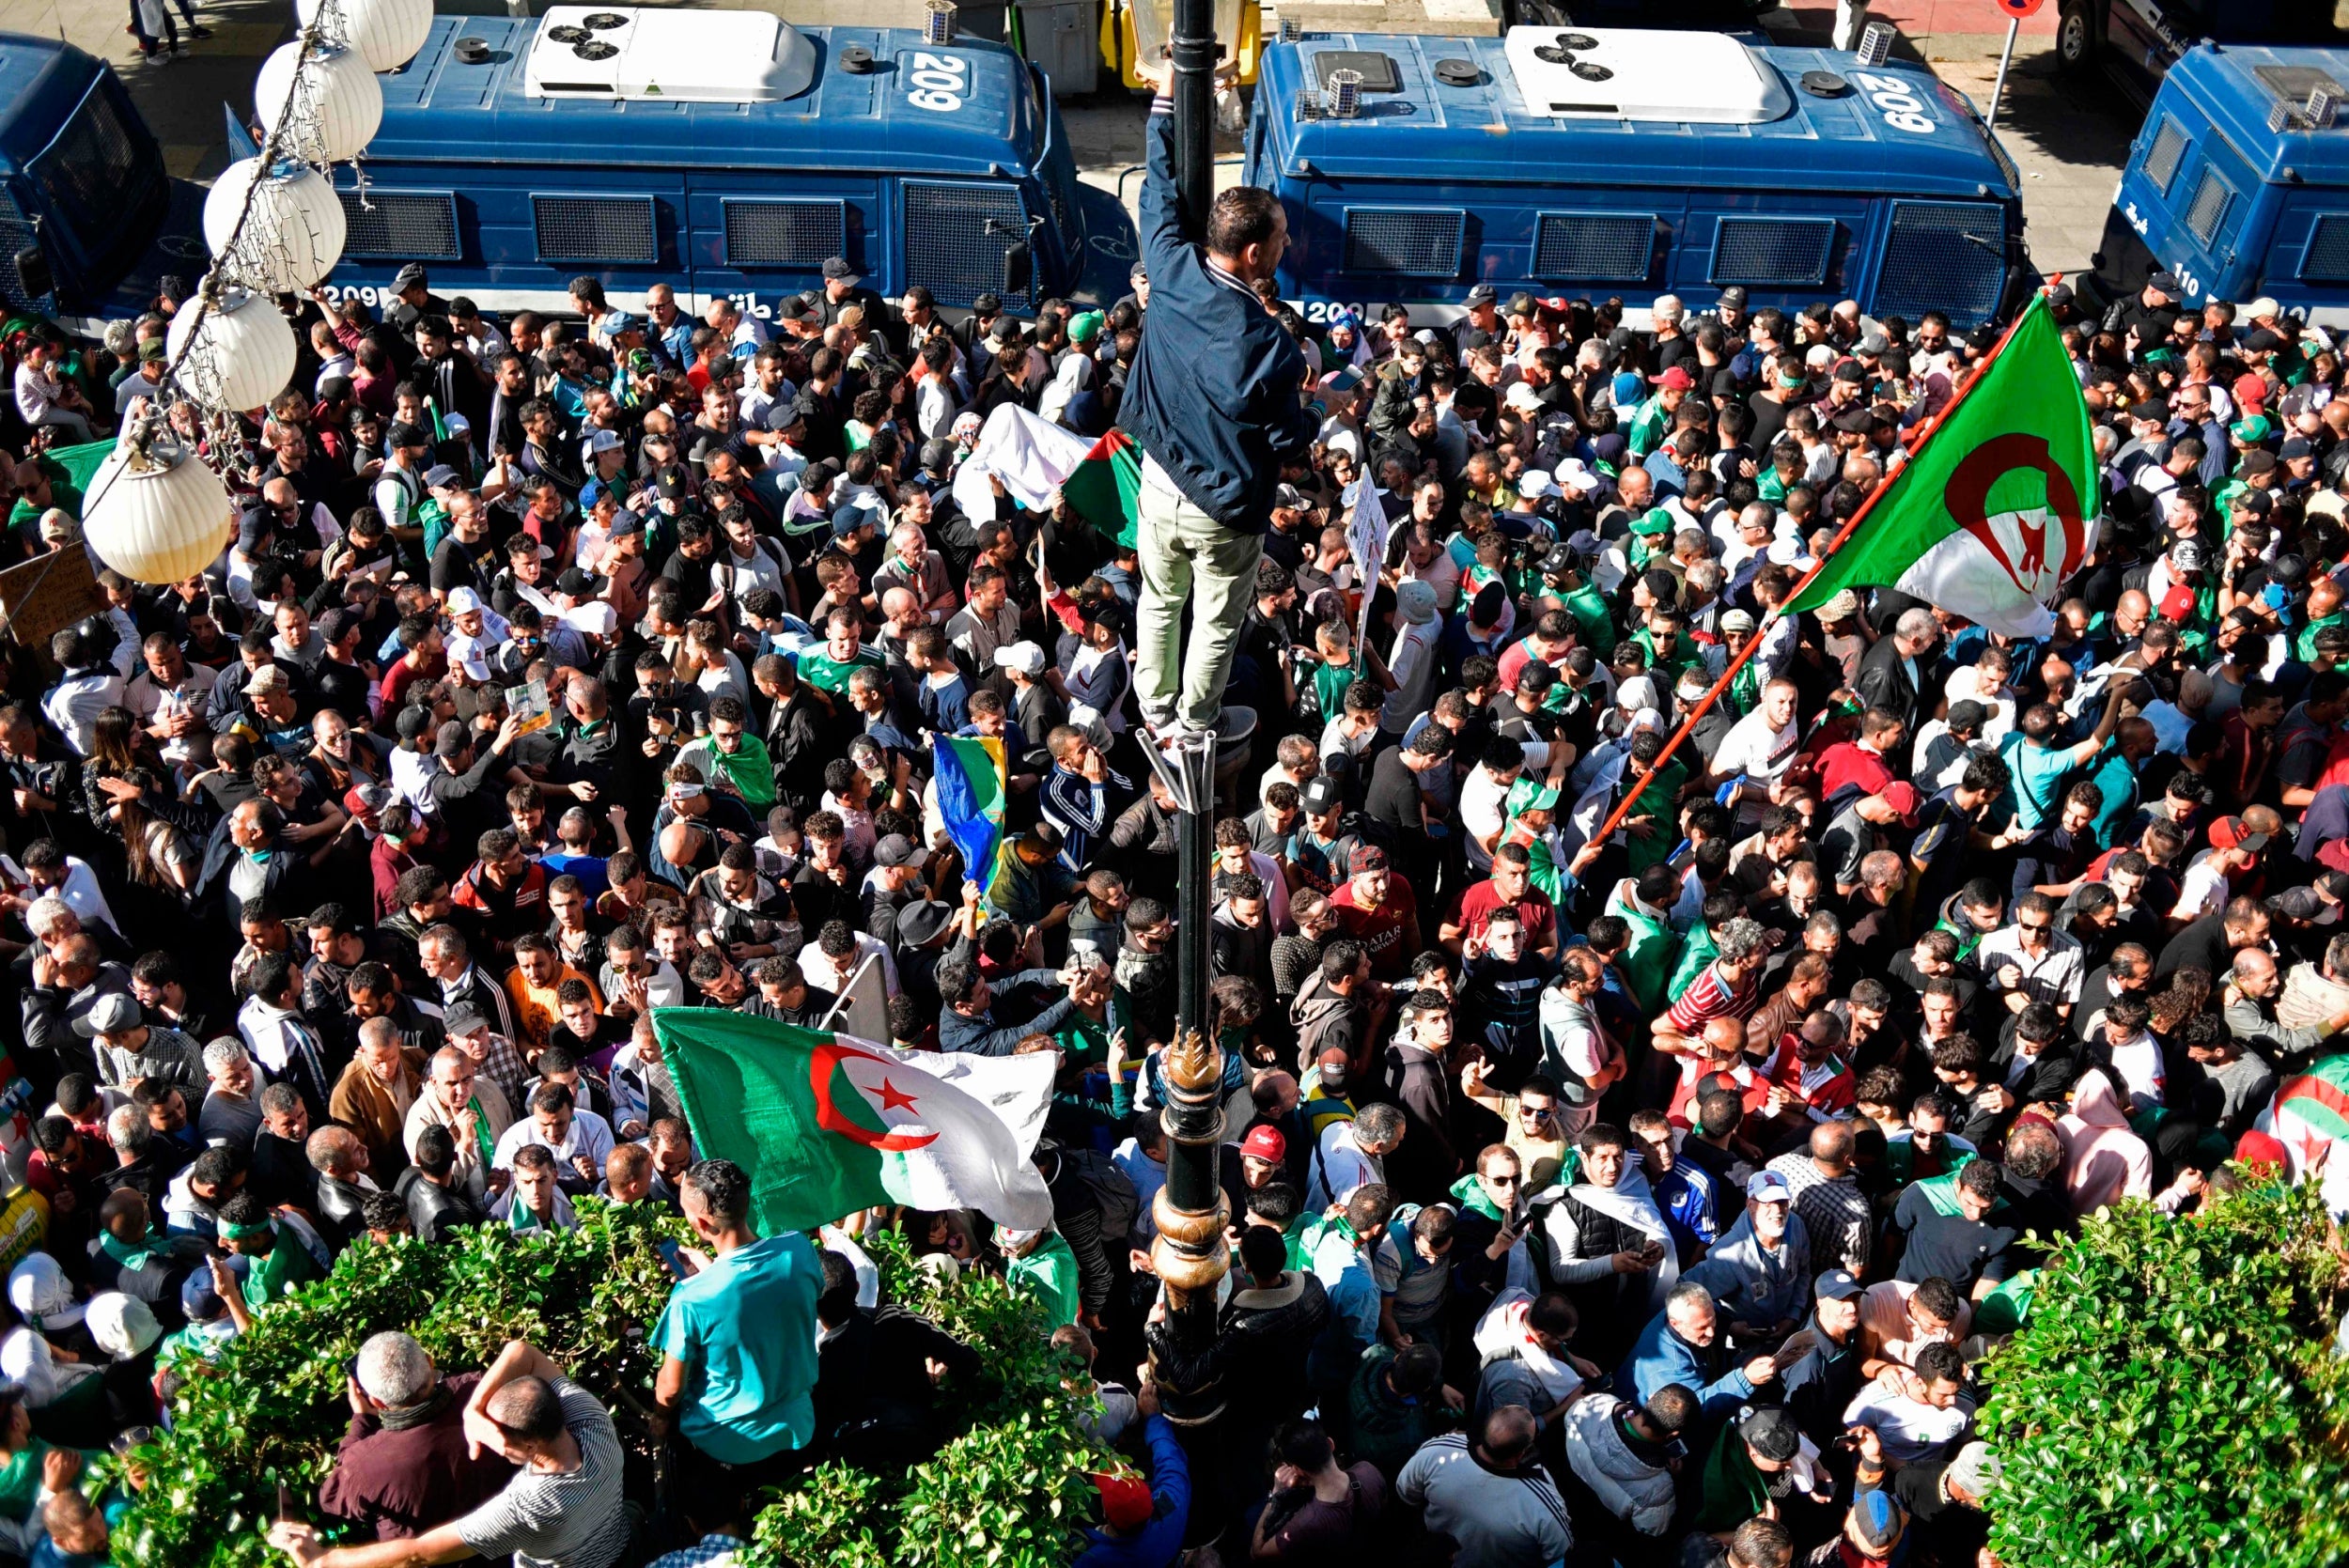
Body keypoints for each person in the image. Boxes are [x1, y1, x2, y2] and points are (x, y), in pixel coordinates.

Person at [1124, 59, 1317, 738]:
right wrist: (1308, 409)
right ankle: (1193, 720)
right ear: (1257, 253)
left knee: (1158, 599)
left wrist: (1168, 97)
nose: (1288, 245)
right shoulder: (1271, 346)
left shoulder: (1172, 265)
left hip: (1160, 480)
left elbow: (1159, 186)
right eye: (1284, 239)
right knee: (1214, 619)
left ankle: (1153, 704)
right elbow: (1290, 443)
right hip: (1225, 508)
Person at [266, 1340, 629, 1568]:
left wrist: (322, 1561)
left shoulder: (527, 1507)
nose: (488, 1437)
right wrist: (473, 1410)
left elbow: (417, 1553)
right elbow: (523, 1352)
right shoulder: (591, 1418)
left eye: (497, 1434)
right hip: (622, 1540)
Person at [650, 1160, 822, 1505]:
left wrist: (659, 1421)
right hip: (797, 1431)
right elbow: (766, 1298)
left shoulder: (691, 1299)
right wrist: (713, 1272)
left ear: (699, 1223)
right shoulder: (799, 1250)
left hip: (725, 1446)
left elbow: (670, 1390)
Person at [319, 1332, 513, 1540]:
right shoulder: (484, 1391)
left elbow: (330, 1498)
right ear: (429, 1362)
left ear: (377, 1402)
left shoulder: (364, 1466)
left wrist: (362, 1418)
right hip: (517, 1544)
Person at [1394, 1405, 1575, 1568]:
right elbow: (1562, 1555)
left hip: (1432, 1558)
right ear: (1522, 1453)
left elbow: (1406, 1493)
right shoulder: (1542, 1503)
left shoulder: (1436, 1452)